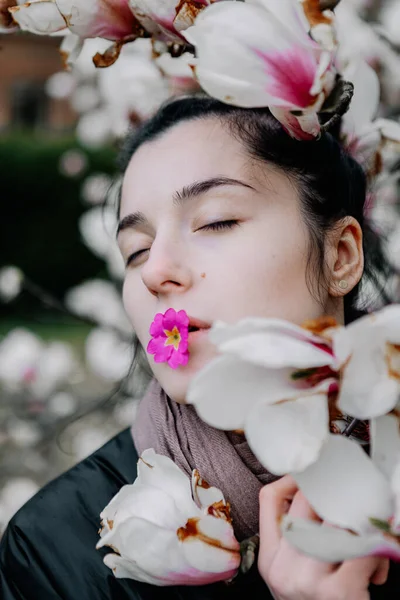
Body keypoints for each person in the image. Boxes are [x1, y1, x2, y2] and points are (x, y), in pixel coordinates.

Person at [0, 96, 398, 600]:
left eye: (216, 221)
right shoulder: (54, 546)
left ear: (340, 255)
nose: (155, 271)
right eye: (135, 251)